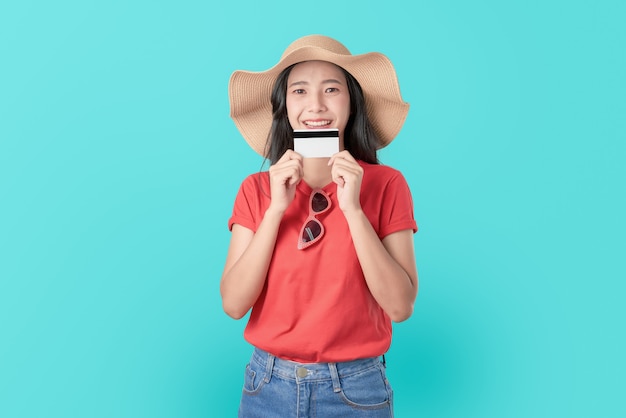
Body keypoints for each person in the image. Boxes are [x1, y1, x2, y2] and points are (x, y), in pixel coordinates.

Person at [221, 35, 418, 418]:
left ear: (352, 101)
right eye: (300, 91)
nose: (316, 105)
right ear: (284, 105)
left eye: (332, 89)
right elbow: (233, 304)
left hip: (356, 390)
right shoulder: (256, 190)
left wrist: (354, 211)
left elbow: (400, 306)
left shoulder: (387, 184)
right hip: (267, 386)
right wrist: (276, 210)